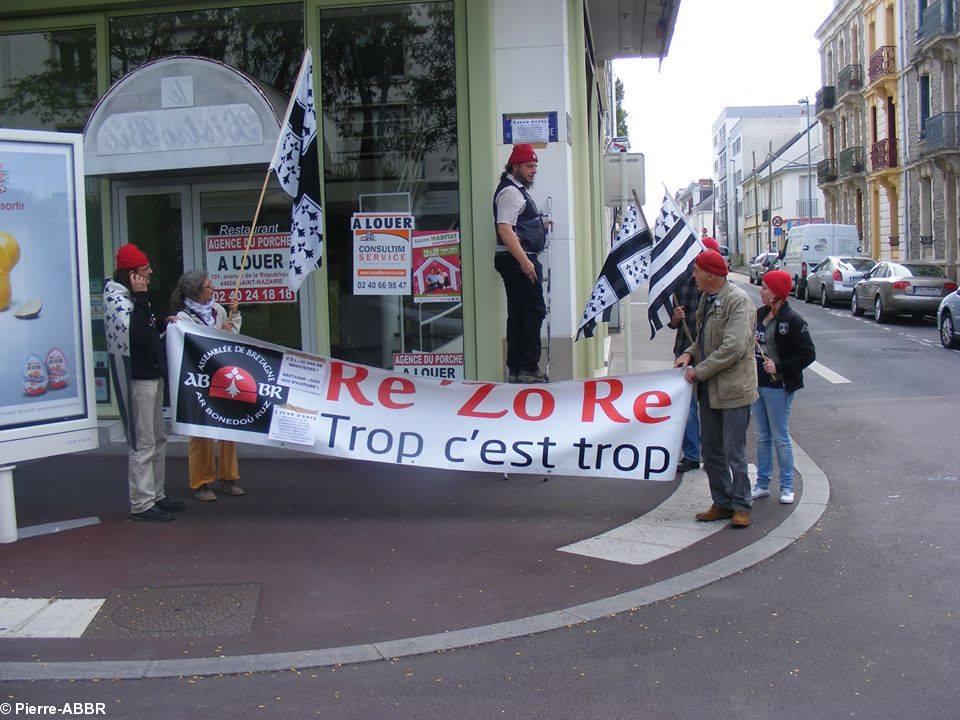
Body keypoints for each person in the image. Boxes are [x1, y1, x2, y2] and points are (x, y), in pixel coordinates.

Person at [675, 250, 758, 528]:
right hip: (710, 391)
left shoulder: (739, 302)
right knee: (710, 451)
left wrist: (698, 371)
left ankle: (742, 505)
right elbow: (703, 340)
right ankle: (722, 501)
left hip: (734, 390)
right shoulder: (706, 300)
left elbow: (732, 348)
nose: (693, 276)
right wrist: (689, 352)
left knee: (734, 451)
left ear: (711, 274)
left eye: (697, 271)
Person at [103, 244, 184, 522]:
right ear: (131, 275)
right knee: (143, 442)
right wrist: (141, 298)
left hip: (152, 375)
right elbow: (135, 335)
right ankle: (142, 502)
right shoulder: (119, 301)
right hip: (138, 381)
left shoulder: (134, 300)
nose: (150, 273)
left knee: (158, 438)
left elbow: (146, 326)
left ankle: (156, 494)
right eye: (144, 270)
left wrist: (163, 323)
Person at [171, 271, 247, 502]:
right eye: (208, 286)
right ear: (196, 291)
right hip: (199, 380)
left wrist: (234, 317)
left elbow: (231, 337)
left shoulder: (219, 311)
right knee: (201, 430)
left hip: (222, 376)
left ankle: (229, 477)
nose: (212, 289)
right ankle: (202, 482)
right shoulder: (182, 318)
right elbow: (194, 345)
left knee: (228, 426)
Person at [751, 270, 815, 504]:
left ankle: (787, 486)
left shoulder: (793, 320)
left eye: (766, 287)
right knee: (762, 436)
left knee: (779, 436)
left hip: (779, 386)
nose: (761, 290)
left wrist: (779, 366)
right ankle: (762, 483)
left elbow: (808, 354)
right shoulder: (760, 314)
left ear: (777, 293)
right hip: (758, 383)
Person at [494, 143, 550, 384]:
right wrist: (525, 262)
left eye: (535, 166)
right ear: (515, 166)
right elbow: (505, 229)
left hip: (513, 260)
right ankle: (528, 366)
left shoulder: (515, 189)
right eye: (529, 166)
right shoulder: (511, 192)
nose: (533, 170)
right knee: (534, 310)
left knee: (518, 313)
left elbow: (514, 225)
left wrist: (540, 226)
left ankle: (516, 368)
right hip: (518, 260)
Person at [671, 237, 721, 473]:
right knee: (687, 408)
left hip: (711, 355)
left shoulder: (722, 291)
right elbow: (670, 322)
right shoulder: (683, 282)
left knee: (711, 406)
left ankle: (711, 453)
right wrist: (675, 318)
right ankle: (692, 454)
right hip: (685, 349)